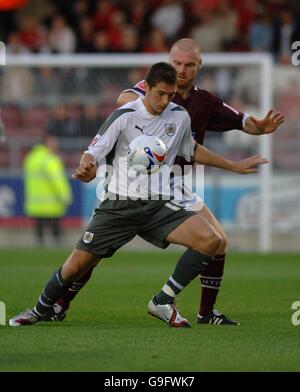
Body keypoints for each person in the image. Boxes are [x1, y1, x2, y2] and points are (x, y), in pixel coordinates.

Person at [42, 38, 285, 325]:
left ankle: (205, 313)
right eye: (176, 64)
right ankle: (59, 304)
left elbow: (243, 120)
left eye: (188, 65)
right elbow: (124, 100)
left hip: (175, 186)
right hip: (134, 183)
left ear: (199, 66)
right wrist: (150, 108)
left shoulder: (204, 102)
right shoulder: (154, 92)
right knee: (91, 256)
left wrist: (260, 127)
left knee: (218, 243)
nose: (181, 70)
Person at [23, 135, 73, 245]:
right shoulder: (50, 160)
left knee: (39, 228)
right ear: (47, 144)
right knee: (55, 227)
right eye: (54, 143)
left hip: (35, 202)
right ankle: (57, 244)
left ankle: (39, 245)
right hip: (51, 202)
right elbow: (57, 180)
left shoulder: (31, 158)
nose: (57, 145)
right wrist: (66, 196)